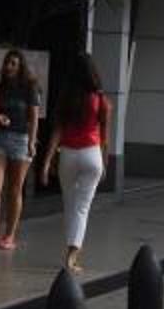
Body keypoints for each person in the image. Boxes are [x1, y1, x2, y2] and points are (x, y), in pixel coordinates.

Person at [39, 54, 111, 272]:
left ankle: (72, 251)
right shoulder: (101, 99)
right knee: (82, 207)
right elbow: (105, 137)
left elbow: (57, 132)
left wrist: (46, 162)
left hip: (68, 155)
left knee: (70, 204)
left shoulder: (66, 98)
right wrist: (105, 161)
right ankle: (73, 253)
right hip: (92, 155)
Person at [0, 46, 40, 250]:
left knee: (15, 188)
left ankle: (9, 234)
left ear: (20, 66)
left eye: (13, 64)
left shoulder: (30, 88)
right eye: (7, 63)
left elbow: (34, 117)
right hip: (0, 137)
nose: (8, 67)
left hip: (21, 140)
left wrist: (32, 142)